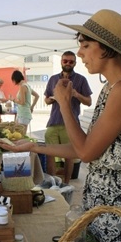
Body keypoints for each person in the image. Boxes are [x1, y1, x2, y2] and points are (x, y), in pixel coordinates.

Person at [0, 9, 121, 242]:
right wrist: (34, 146)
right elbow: (84, 147)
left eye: (86, 45)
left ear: (107, 50)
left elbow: (86, 153)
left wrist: (65, 103)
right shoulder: (114, 89)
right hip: (106, 203)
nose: (80, 52)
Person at [44, 51, 92, 183]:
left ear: (75, 63)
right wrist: (54, 98)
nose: (68, 64)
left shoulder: (81, 79)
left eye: (71, 61)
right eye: (65, 61)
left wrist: (76, 94)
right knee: (50, 154)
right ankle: (53, 183)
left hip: (70, 124)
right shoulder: (53, 79)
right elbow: (46, 100)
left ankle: (66, 183)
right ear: (61, 62)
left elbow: (88, 101)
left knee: (69, 156)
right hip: (53, 122)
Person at [10, 70, 39, 134]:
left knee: (21, 135)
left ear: (15, 79)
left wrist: (13, 99)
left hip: (23, 114)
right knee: (18, 134)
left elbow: (22, 102)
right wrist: (32, 107)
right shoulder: (27, 85)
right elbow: (37, 96)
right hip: (23, 113)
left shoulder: (22, 86)